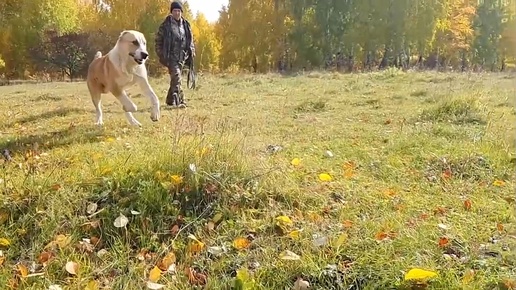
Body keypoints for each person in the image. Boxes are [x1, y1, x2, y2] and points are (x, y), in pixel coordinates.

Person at [155, 1, 195, 108]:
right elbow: (158, 41)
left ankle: (169, 100)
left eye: (178, 11)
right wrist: (161, 54)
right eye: (174, 11)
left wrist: (191, 51)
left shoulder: (186, 25)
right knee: (177, 77)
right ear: (171, 12)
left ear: (181, 12)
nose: (177, 13)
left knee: (175, 78)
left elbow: (190, 40)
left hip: (182, 56)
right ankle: (180, 100)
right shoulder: (166, 25)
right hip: (170, 56)